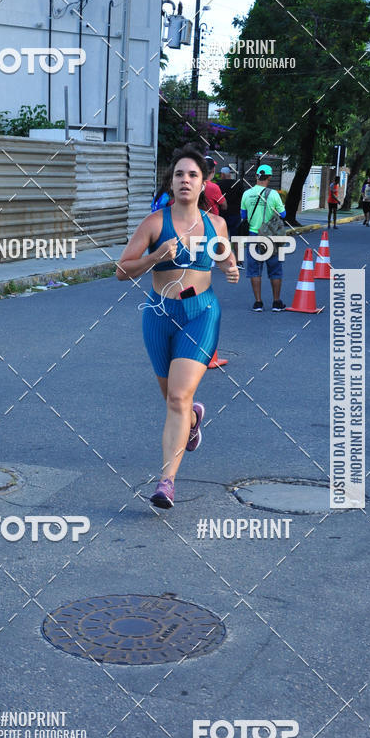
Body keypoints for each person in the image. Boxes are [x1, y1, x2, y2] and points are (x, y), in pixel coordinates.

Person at [116, 145, 240, 508]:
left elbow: (226, 258)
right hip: (157, 314)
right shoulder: (155, 224)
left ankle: (166, 482)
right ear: (170, 182)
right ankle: (192, 420)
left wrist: (230, 269)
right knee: (172, 400)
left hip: (201, 313)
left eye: (193, 175)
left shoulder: (215, 224)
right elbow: (122, 271)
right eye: (179, 174)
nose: (185, 180)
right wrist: (156, 256)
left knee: (177, 398)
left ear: (204, 184)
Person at [240, 164, 287, 311]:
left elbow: (243, 216)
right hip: (270, 237)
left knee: (254, 270)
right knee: (275, 270)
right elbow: (283, 214)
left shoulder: (247, 194)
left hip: (253, 235)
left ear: (256, 176)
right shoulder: (273, 194)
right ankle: (276, 302)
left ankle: (258, 302)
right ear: (270, 177)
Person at [218, 165, 244, 264]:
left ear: (223, 174)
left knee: (222, 239)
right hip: (235, 214)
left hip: (222, 215)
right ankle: (239, 260)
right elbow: (243, 198)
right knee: (236, 238)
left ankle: (224, 259)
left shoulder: (218, 185)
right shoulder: (238, 184)